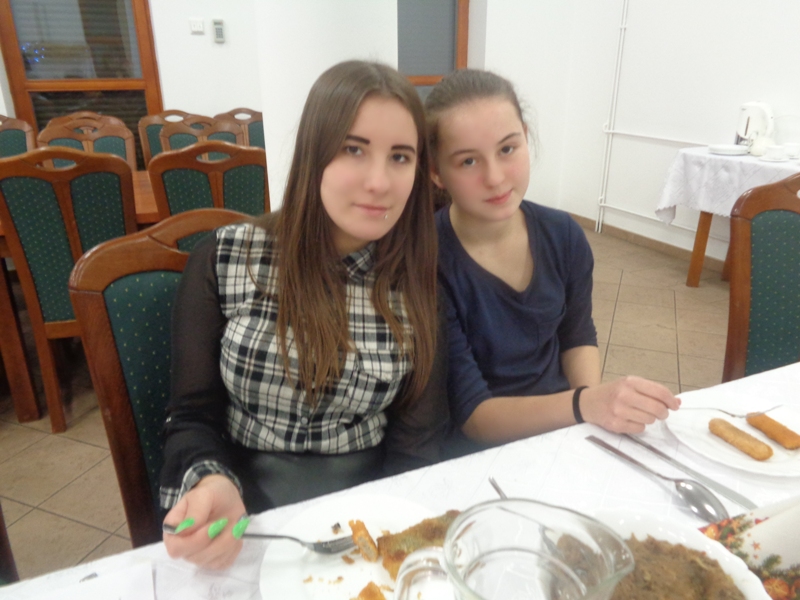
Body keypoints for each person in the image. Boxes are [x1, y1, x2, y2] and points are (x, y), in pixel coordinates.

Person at [160, 60, 448, 569]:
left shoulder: (416, 283)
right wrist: (210, 479)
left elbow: (416, 446)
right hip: (242, 507)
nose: (379, 182)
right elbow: (190, 415)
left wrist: (385, 540)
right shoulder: (227, 257)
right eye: (353, 149)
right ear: (315, 152)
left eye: (400, 157)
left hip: (366, 520)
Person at [425, 69, 680, 455]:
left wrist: (591, 411)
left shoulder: (563, 235)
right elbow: (474, 416)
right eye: (468, 161)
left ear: (525, 138)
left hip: (562, 429)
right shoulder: (427, 259)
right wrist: (585, 405)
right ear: (436, 172)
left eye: (507, 149)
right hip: (475, 454)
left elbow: (577, 336)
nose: (495, 178)